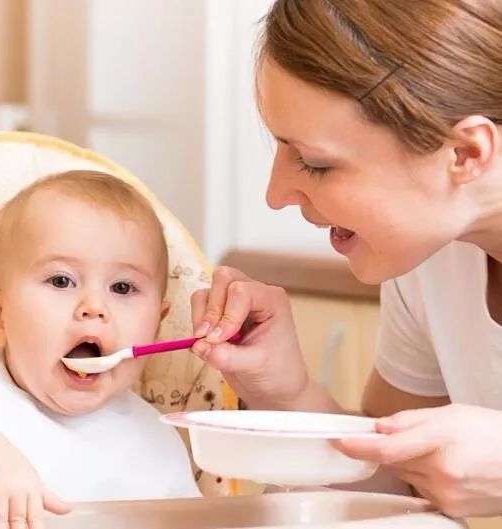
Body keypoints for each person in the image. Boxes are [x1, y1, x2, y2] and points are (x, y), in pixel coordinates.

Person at [191, 0, 502, 519]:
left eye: (314, 162)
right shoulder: (430, 261)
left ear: (466, 154)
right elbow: (396, 482)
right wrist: (288, 394)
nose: (277, 193)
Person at [0, 170, 200, 529]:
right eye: (61, 280)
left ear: (156, 326)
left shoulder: (156, 437)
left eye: (122, 287)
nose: (94, 306)